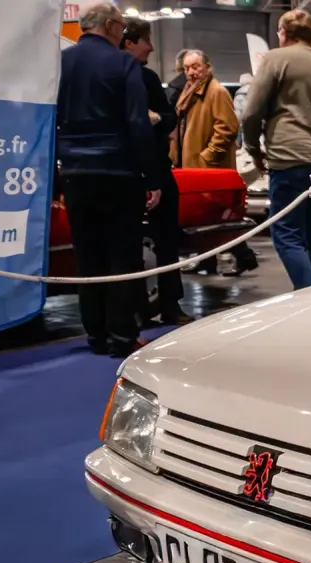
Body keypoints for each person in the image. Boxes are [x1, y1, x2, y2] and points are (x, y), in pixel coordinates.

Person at [57, 2, 161, 357]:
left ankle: (96, 335)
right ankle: (121, 337)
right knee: (122, 258)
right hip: (118, 172)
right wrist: (151, 175)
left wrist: (57, 177)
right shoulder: (123, 63)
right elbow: (137, 122)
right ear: (112, 26)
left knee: (87, 258)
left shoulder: (61, 63)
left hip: (74, 172)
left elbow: (49, 118)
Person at [242, 9, 311, 289]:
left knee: (287, 233)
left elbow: (251, 113)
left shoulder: (276, 59)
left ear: (283, 33)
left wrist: (254, 150)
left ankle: (307, 295)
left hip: (288, 158)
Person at [121, 19, 190, 325]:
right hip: (133, 170)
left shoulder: (148, 78)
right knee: (130, 244)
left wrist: (156, 119)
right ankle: (137, 310)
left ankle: (170, 304)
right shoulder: (125, 76)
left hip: (156, 168)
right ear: (129, 42)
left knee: (166, 240)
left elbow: (169, 118)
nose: (151, 47)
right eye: (146, 40)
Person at [173, 50, 257, 274]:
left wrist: (208, 157)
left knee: (219, 217)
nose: (191, 72)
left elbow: (228, 127)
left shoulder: (216, 92)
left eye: (195, 66)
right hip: (195, 167)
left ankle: (243, 257)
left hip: (209, 169)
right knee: (206, 218)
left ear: (207, 67)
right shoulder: (190, 92)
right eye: (187, 68)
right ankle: (209, 260)